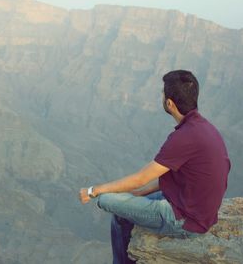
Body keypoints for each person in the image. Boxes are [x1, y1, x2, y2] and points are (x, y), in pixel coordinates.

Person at [79, 70, 231, 264]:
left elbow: (141, 178)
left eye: (162, 94)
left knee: (106, 200)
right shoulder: (205, 128)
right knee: (124, 211)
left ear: (169, 103)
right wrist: (139, 193)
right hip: (197, 208)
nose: (161, 96)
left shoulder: (183, 138)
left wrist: (92, 191)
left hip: (185, 220)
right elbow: (170, 178)